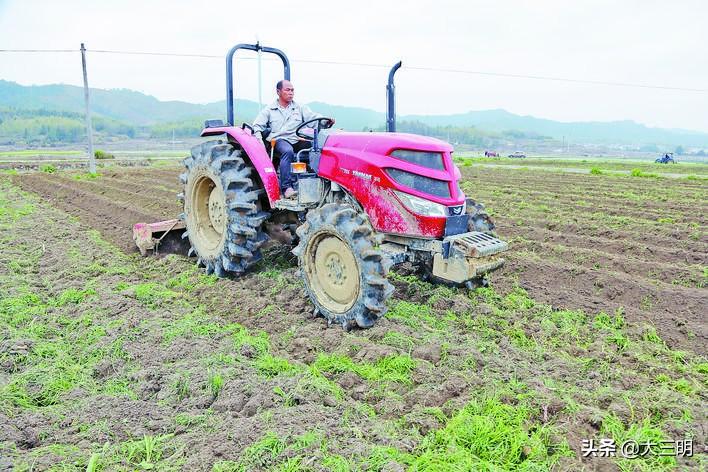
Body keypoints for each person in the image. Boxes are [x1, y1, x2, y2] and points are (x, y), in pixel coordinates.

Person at [252, 80, 334, 199]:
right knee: (287, 151)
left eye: (292, 90)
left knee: (316, 148)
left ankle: (320, 181)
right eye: (287, 90)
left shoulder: (299, 107)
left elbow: (313, 118)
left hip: (296, 138)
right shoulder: (269, 110)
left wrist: (325, 121)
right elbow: (257, 126)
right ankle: (287, 188)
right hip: (279, 140)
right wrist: (260, 145)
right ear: (278, 92)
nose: (291, 93)